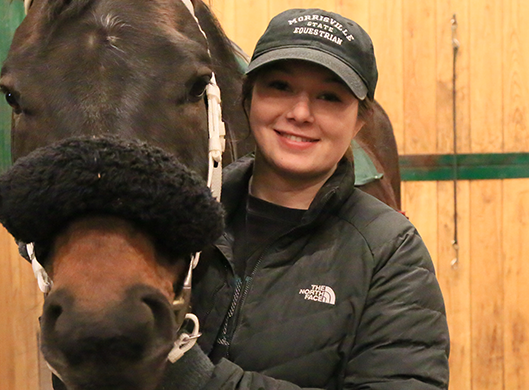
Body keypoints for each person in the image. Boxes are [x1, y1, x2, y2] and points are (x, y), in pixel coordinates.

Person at [159, 8, 450, 390]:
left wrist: (197, 376)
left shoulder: (390, 252)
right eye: (279, 86)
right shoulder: (182, 217)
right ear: (247, 99)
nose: (299, 113)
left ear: (360, 120)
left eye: (329, 97)